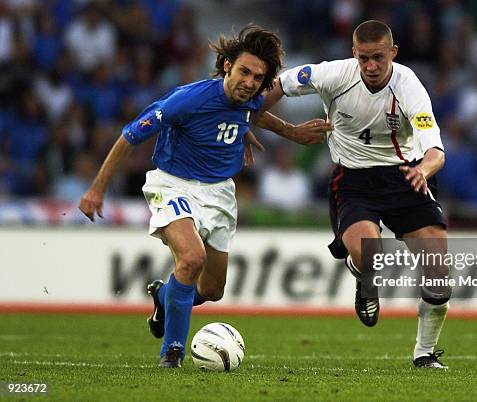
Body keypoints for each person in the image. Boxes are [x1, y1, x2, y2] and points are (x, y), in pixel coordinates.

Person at [78, 25, 331, 368]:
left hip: (220, 193)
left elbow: (254, 112)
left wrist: (289, 132)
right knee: (191, 258)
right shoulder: (188, 99)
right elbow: (130, 136)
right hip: (173, 184)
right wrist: (97, 188)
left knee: (213, 290)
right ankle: (173, 352)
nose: (249, 82)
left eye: (258, 77)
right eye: (244, 71)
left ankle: (165, 297)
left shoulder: (250, 97)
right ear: (227, 65)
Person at [262, 20, 451, 369]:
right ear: (354, 53)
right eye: (364, 58)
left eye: (379, 57)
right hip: (354, 180)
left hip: (406, 176)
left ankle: (424, 353)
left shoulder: (409, 86)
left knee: (439, 275)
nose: (371, 66)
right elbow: (277, 85)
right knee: (369, 252)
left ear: (393, 52)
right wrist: (253, 120)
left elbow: (435, 149)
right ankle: (364, 275)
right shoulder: (332, 75)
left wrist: (422, 171)